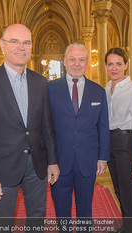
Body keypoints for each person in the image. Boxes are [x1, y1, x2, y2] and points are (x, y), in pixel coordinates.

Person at [0, 24, 59, 231]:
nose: (21, 47)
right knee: (3, 223)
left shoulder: (40, 82)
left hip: (37, 166)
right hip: (2, 169)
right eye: (14, 41)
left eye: (26, 42)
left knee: (37, 217)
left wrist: (53, 162)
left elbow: (47, 127)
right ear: (2, 45)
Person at [48, 43, 110, 230]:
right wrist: (49, 160)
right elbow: (46, 127)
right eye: (72, 59)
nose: (77, 63)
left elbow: (103, 126)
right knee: (61, 211)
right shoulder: (50, 89)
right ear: (65, 62)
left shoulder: (98, 91)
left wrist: (103, 157)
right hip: (59, 162)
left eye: (81, 59)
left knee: (85, 210)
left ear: (87, 63)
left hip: (88, 160)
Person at [104, 48, 132, 233]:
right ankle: (127, 226)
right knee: (119, 190)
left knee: (128, 192)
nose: (114, 68)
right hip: (111, 142)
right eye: (110, 64)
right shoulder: (105, 88)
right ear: (105, 66)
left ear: (126, 65)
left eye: (119, 64)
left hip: (127, 143)